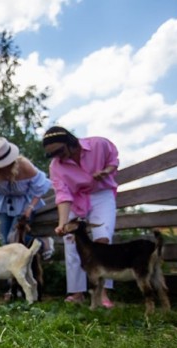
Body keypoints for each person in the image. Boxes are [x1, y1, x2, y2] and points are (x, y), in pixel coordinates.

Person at [42, 126, 119, 308]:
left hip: (101, 194)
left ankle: (103, 293)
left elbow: (113, 159)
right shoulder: (56, 166)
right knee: (71, 241)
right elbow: (63, 196)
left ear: (71, 142)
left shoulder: (99, 144)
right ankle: (77, 292)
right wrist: (62, 224)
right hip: (76, 199)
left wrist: (106, 171)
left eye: (59, 151)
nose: (57, 157)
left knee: (103, 239)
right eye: (52, 154)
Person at [0, 137, 54, 257]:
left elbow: (40, 188)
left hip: (24, 204)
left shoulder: (25, 166)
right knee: (5, 240)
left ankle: (43, 243)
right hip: (3, 204)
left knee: (13, 237)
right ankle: (11, 270)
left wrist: (30, 207)